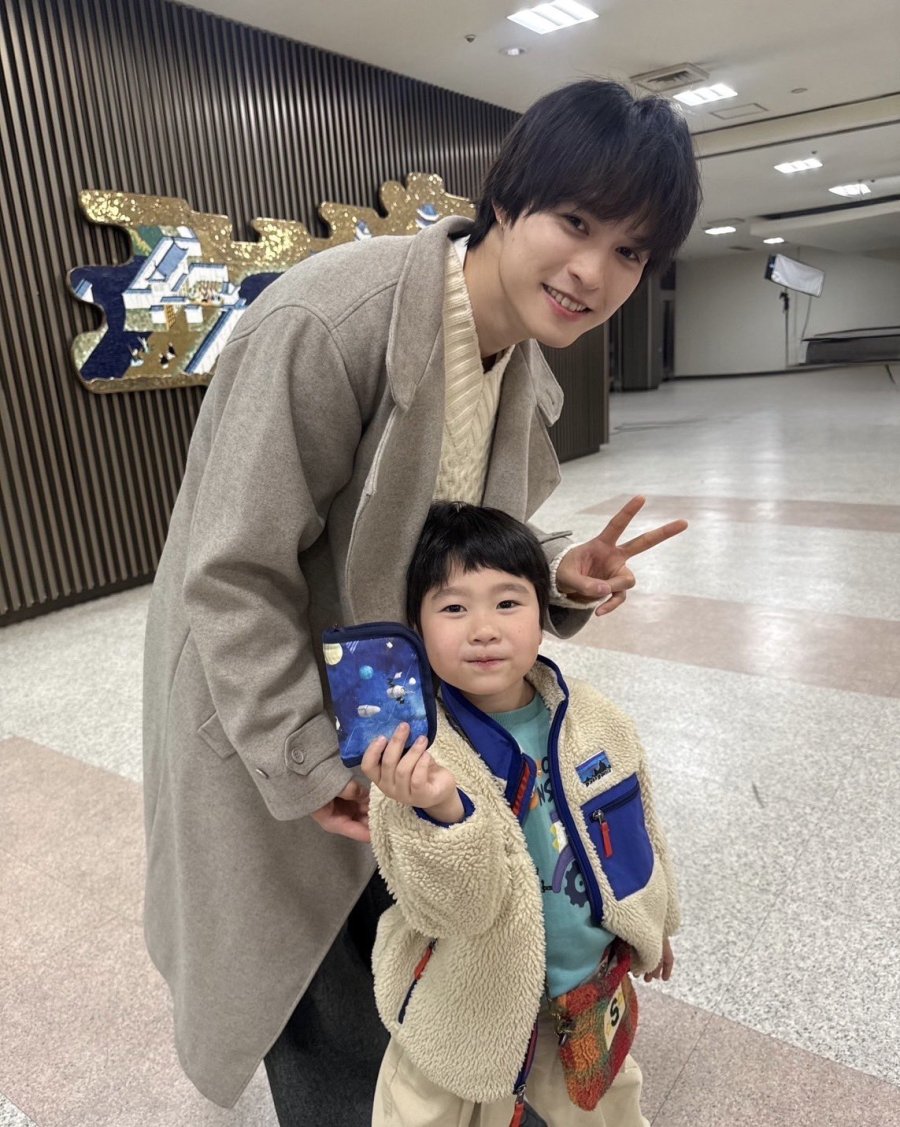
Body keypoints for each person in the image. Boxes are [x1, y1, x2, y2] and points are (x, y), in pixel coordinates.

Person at [141, 78, 700, 1122]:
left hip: (403, 722)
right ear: (508, 199)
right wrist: (307, 757)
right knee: (315, 979)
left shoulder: (520, 365)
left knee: (415, 961)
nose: (594, 272)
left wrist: (555, 573)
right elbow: (232, 569)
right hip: (277, 710)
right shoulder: (330, 322)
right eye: (576, 222)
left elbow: (445, 541)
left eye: (631, 251)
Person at [363, 502, 678, 1126]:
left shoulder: (597, 720)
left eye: (508, 602)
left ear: (544, 613)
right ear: (415, 627)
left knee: (609, 1112)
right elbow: (452, 911)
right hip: (462, 1007)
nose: (484, 629)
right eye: (454, 608)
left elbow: (639, 829)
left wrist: (654, 920)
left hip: (582, 993)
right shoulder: (414, 760)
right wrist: (441, 812)